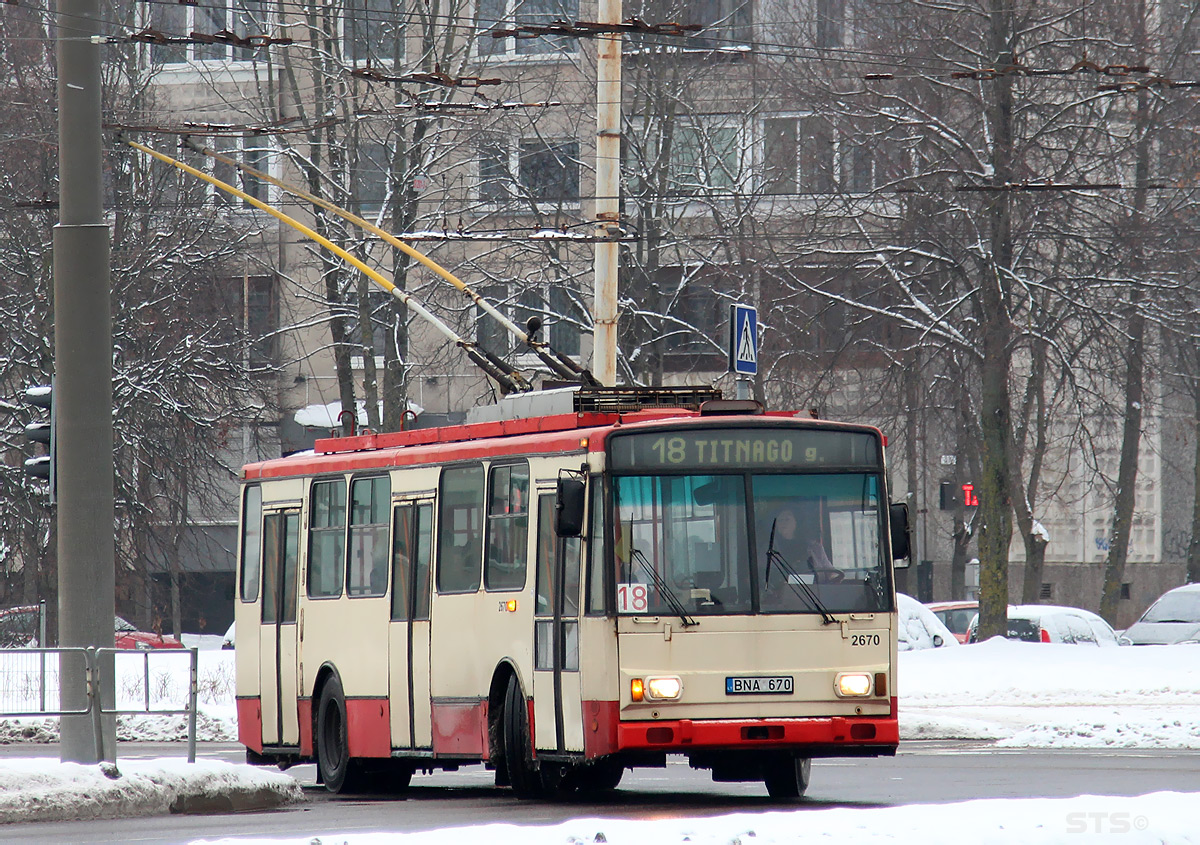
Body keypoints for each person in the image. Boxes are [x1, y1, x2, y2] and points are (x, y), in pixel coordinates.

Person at [770, 507, 841, 583]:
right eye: (780, 520)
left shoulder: (815, 548)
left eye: (787, 519)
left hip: (814, 593)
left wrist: (835, 578)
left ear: (796, 522)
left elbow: (831, 572)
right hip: (783, 593)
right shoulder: (770, 549)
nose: (783, 523)